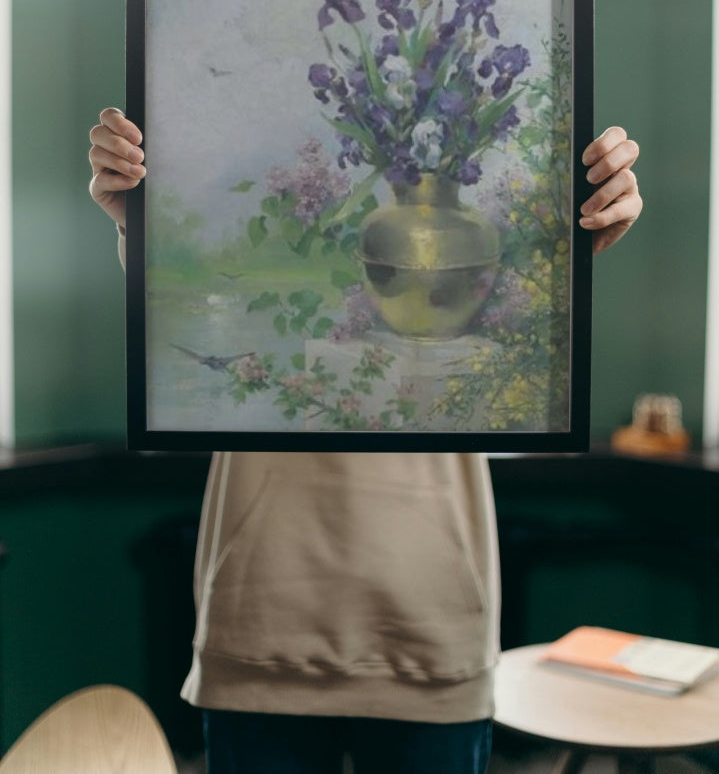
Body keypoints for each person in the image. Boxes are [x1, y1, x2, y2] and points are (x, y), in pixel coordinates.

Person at [89, 109, 642, 774]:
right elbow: (197, 300)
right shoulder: (261, 184)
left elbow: (502, 364)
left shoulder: (470, 207)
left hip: (432, 621)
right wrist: (139, 219)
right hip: (263, 617)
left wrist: (568, 249)